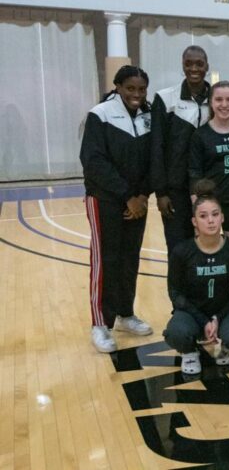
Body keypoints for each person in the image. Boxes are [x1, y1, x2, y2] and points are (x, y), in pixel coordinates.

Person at [81, 65, 154, 353]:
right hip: (106, 199)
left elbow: (153, 159)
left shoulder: (149, 117)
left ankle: (125, 313)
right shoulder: (100, 114)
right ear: (118, 86)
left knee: (129, 258)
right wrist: (127, 196)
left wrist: (143, 195)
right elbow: (94, 161)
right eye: (130, 88)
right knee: (105, 260)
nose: (136, 94)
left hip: (138, 201)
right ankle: (101, 323)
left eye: (141, 89)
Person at [163, 184, 229, 375]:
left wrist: (217, 318)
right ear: (194, 221)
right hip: (192, 310)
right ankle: (189, 351)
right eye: (203, 216)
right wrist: (204, 320)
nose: (210, 221)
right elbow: (175, 293)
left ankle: (227, 346)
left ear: (222, 217)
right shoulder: (181, 252)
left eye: (215, 214)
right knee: (176, 333)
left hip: (224, 310)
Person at [151, 45, 211, 253]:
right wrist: (161, 192)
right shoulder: (165, 99)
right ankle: (177, 288)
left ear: (207, 67)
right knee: (178, 248)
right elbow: (156, 148)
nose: (194, 68)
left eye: (199, 64)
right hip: (175, 190)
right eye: (188, 63)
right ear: (182, 66)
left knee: (206, 247)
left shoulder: (218, 99)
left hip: (208, 188)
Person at [188, 81, 229, 245]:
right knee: (207, 253)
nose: (224, 105)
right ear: (211, 102)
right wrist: (197, 207)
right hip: (210, 202)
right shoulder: (200, 135)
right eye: (219, 100)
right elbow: (194, 172)